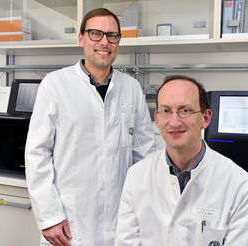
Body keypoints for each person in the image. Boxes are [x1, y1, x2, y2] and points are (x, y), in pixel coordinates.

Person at [25, 8, 156, 246]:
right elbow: (37, 154)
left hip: (121, 220)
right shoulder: (55, 85)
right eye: (96, 33)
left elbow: (144, 154)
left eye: (112, 35)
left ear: (118, 41)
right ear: (81, 38)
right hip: (69, 222)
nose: (104, 42)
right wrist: (50, 217)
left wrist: (144, 209)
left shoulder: (131, 88)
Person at [114, 75, 248, 246]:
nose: (174, 122)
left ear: (205, 118)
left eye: (185, 110)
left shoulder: (242, 187)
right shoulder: (137, 176)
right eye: (166, 111)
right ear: (157, 118)